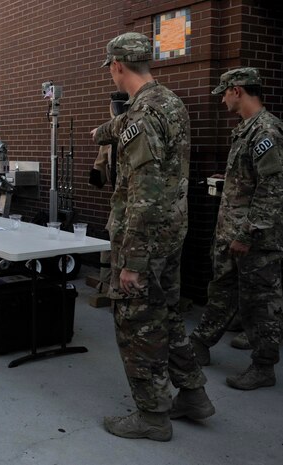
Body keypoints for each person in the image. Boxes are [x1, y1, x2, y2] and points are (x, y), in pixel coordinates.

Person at [92, 32, 214, 441]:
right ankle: (193, 395)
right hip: (170, 234)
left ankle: (152, 416)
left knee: (137, 323)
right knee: (165, 314)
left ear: (117, 66)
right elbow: (123, 130)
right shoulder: (169, 103)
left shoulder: (141, 117)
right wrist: (102, 132)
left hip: (143, 240)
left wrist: (132, 262)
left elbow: (144, 191)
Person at [189, 67, 283, 390]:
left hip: (254, 239)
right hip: (233, 234)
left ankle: (263, 366)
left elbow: (272, 188)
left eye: (225, 92)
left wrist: (247, 233)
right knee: (223, 290)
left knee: (260, 302)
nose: (223, 99)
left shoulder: (266, 132)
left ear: (238, 90)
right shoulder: (246, 129)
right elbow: (249, 181)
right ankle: (201, 342)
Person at [88, 91, 128, 306]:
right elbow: (100, 171)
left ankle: (110, 287)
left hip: (127, 201)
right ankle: (108, 285)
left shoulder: (115, 135)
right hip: (127, 200)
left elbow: (98, 175)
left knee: (112, 243)